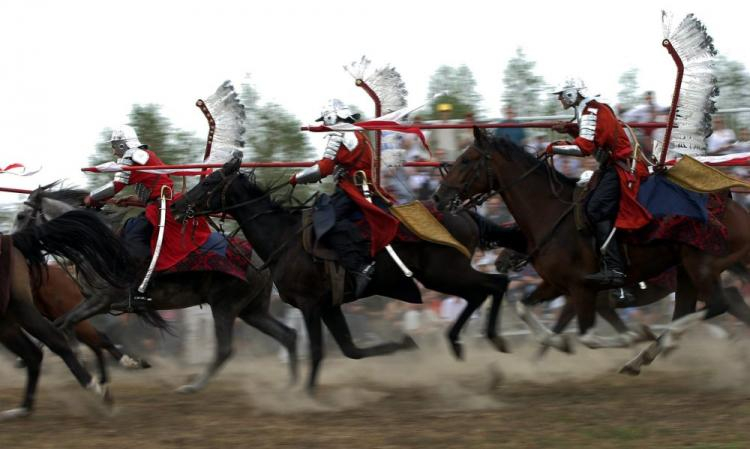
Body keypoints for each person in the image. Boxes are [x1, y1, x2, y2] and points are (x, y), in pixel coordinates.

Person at [85, 124, 211, 302]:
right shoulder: (143, 155)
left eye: (114, 147)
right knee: (130, 228)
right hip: (158, 204)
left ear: (122, 144)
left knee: (133, 238)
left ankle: (143, 285)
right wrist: (132, 200)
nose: (114, 152)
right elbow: (153, 186)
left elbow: (116, 185)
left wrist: (91, 198)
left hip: (160, 209)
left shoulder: (133, 155)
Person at [547, 78, 651, 290]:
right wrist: (568, 128)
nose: (559, 99)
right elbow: (592, 134)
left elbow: (585, 147)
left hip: (619, 168)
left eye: (561, 95)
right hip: (611, 167)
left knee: (595, 209)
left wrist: (553, 148)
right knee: (586, 203)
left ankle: (615, 268)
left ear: (571, 93)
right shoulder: (590, 109)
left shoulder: (591, 111)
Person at [289, 99, 401, 297]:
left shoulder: (339, 135)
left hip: (353, 190)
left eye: (326, 120)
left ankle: (359, 266)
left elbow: (324, 168)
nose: (325, 124)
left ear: (332, 117)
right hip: (357, 186)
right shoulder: (358, 133)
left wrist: (296, 178)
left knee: (327, 220)